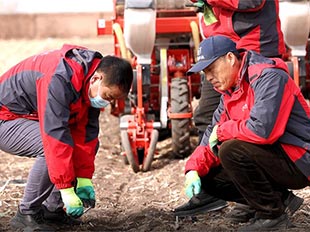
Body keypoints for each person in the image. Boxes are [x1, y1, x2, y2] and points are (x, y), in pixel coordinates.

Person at [174, 35, 310, 230]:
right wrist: (193, 169)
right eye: (205, 72)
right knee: (207, 176)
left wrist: (223, 131)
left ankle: (272, 215)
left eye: (211, 69)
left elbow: (263, 131)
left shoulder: (269, 77)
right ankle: (281, 199)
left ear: (230, 58)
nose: (208, 77)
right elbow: (210, 136)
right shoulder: (229, 91)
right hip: (274, 157)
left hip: (299, 159)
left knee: (230, 149)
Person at [0, 44, 133, 231]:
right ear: (97, 78)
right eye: (108, 96)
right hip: (6, 118)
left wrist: (84, 178)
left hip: (31, 117)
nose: (107, 102)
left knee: (72, 142)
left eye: (112, 100)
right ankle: (27, 213)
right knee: (50, 146)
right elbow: (54, 137)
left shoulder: (88, 83)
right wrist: (66, 188)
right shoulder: (59, 78)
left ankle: (52, 211)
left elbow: (87, 137)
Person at [191, 0, 286, 142]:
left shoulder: (264, 71)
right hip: (219, 50)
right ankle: (205, 163)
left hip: (255, 50)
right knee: (207, 118)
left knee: (258, 122)